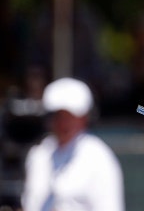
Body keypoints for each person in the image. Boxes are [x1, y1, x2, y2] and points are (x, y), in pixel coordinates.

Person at [21, 77, 125, 211]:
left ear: (84, 117)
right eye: (58, 115)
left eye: (70, 116)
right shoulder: (39, 154)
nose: (63, 123)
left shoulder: (99, 158)